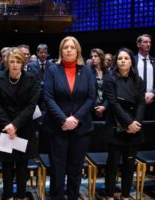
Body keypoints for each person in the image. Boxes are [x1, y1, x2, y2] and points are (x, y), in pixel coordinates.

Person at [43, 36, 95, 199]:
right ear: (61, 51)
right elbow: (48, 97)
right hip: (57, 127)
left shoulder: (86, 70)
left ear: (77, 50)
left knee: (75, 168)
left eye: (72, 47)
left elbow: (91, 98)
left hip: (81, 128)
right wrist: (64, 120)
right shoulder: (52, 69)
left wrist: (76, 119)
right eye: (66, 47)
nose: (69, 50)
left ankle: (73, 196)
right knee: (57, 168)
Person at [0, 47, 39, 199]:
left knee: (22, 165)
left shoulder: (31, 78)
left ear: (23, 63)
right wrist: (8, 125)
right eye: (12, 61)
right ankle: (9, 196)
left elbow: (32, 106)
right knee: (7, 166)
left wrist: (15, 125)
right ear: (7, 62)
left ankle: (22, 195)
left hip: (23, 127)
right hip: (5, 128)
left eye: (18, 61)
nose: (15, 65)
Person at [103, 48, 145, 200]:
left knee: (129, 165)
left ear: (131, 61)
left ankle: (126, 195)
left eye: (126, 58)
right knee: (112, 165)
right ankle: (109, 195)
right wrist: (128, 123)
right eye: (120, 58)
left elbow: (141, 103)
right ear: (116, 61)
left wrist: (136, 123)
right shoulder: (110, 78)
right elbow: (113, 104)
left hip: (134, 128)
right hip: (116, 126)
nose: (122, 60)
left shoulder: (138, 80)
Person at [134, 34, 155, 120]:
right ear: (138, 44)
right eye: (145, 42)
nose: (148, 44)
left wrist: (153, 93)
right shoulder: (131, 61)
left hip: (152, 102)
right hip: (135, 101)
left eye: (149, 42)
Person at [90, 48, 110, 121]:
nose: (93, 58)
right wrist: (96, 107)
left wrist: (104, 106)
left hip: (106, 108)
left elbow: (111, 92)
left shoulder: (108, 73)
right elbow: (88, 92)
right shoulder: (88, 73)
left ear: (101, 57)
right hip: (92, 108)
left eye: (95, 56)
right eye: (92, 57)